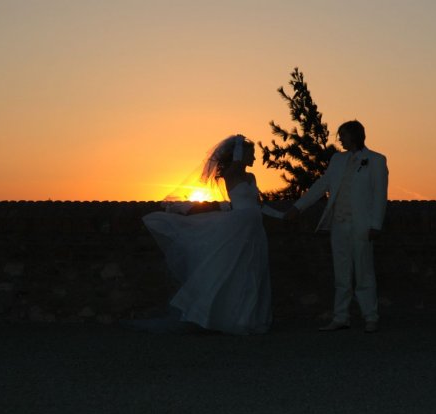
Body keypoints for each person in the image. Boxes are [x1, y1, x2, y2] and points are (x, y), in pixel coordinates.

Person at [125, 135, 280, 335]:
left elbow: (258, 205)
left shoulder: (251, 177)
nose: (255, 158)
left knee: (253, 271)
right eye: (251, 153)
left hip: (255, 227)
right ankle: (227, 318)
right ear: (240, 154)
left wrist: (281, 215)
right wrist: (239, 143)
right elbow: (235, 165)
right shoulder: (231, 174)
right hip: (238, 227)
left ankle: (248, 319)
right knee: (234, 270)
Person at [285, 120, 388, 333]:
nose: (339, 139)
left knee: (364, 272)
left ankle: (370, 316)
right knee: (341, 273)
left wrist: (376, 224)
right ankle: (341, 317)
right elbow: (322, 185)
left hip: (362, 225)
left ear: (354, 135)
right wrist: (298, 207)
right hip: (339, 225)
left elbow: (380, 195)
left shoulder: (376, 160)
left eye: (342, 135)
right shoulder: (337, 159)